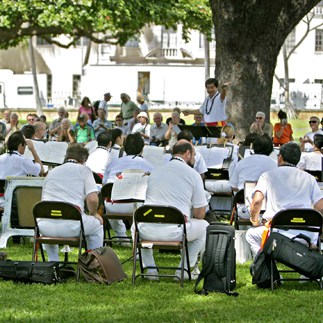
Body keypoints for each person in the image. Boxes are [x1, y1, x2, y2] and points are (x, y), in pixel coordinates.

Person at [134, 139, 209, 279]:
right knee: (205, 226)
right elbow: (200, 214)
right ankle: (184, 270)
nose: (194, 158)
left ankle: (150, 270)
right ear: (187, 153)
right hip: (176, 231)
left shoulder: (155, 171)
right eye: (193, 155)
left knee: (135, 224)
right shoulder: (193, 175)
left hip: (146, 230)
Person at [246, 142, 323, 256]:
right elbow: (321, 207)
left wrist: (255, 221)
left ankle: (265, 269)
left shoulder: (267, 175)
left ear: (280, 157)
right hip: (307, 235)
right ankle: (307, 273)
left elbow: (257, 201)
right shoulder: (309, 178)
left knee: (250, 235)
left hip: (277, 233)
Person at [40, 144, 103, 261]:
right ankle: (93, 263)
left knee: (50, 217)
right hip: (72, 225)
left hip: (45, 226)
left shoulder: (52, 172)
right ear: (83, 160)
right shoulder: (84, 170)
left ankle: (53, 262)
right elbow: (93, 199)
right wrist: (94, 213)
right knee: (97, 225)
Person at [102, 133, 153, 240]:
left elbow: (104, 185)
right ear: (142, 149)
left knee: (108, 197)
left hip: (113, 206)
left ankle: (121, 235)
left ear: (124, 147)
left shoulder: (113, 163)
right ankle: (138, 236)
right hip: (137, 206)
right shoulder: (148, 165)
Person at [0, 131, 44, 209]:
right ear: (20, 145)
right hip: (15, 201)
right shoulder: (22, 161)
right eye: (25, 145)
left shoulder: (1, 158)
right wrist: (33, 150)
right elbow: (41, 171)